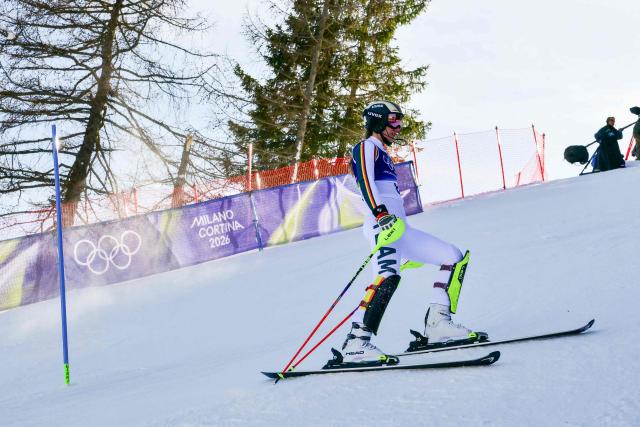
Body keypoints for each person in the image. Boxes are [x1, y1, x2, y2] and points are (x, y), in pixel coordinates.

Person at [331, 100, 486, 366]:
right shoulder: (366, 147)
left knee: (453, 256)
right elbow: (366, 181)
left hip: (400, 229)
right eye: (393, 120)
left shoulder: (383, 152)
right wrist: (380, 214)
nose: (398, 126)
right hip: (383, 226)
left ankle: (438, 324)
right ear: (377, 121)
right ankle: (356, 343)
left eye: (399, 121)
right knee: (386, 277)